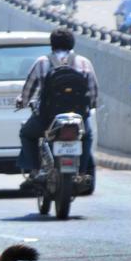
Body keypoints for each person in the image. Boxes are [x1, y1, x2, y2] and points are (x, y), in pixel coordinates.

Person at [16, 28, 99, 181]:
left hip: (47, 118)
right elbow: (93, 92)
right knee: (87, 136)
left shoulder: (42, 63)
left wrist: (22, 102)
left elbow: (28, 90)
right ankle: (81, 173)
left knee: (26, 134)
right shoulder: (84, 63)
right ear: (72, 44)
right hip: (77, 118)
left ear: (52, 45)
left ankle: (34, 170)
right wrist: (91, 106)